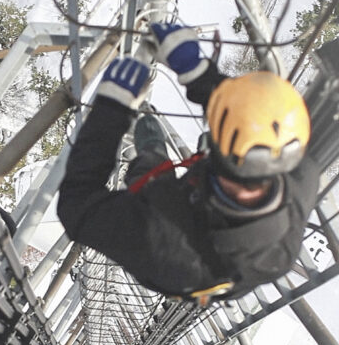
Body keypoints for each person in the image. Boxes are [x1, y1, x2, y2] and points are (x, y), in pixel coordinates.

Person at [57, 23, 319, 303]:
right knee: (151, 169)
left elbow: (77, 208)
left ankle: (149, 152)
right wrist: (199, 74)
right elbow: (251, 128)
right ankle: (150, 153)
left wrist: (110, 112)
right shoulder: (299, 173)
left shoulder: (158, 236)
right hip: (220, 243)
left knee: (147, 171)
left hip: (178, 259)